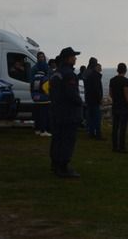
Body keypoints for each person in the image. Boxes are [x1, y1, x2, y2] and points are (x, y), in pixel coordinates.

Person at [49, 47, 83, 178]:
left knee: (57, 139)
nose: (75, 58)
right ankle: (63, 167)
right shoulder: (69, 74)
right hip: (68, 113)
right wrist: (80, 102)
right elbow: (72, 94)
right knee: (67, 140)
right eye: (73, 56)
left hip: (56, 111)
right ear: (68, 58)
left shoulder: (56, 73)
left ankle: (55, 164)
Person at [109, 63, 128, 153]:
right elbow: (126, 93)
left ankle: (114, 146)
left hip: (115, 105)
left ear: (117, 70)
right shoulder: (125, 80)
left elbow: (110, 93)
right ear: (125, 70)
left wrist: (115, 99)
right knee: (123, 127)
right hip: (123, 106)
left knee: (115, 127)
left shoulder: (112, 80)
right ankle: (122, 147)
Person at [30, 51, 51, 137]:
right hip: (44, 98)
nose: (42, 58)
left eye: (43, 57)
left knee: (38, 115)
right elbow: (46, 88)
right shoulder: (44, 75)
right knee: (43, 115)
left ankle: (37, 129)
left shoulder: (35, 75)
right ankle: (43, 130)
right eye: (40, 57)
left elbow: (31, 85)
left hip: (36, 97)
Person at [84, 60, 103, 139]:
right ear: (96, 67)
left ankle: (91, 133)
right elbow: (96, 89)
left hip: (89, 99)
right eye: (99, 67)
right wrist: (99, 99)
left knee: (91, 117)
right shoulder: (95, 76)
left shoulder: (88, 74)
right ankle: (97, 134)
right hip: (94, 100)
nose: (101, 68)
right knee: (97, 117)